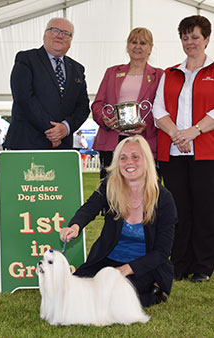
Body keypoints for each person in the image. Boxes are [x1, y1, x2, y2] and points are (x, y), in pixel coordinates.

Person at [60, 136, 177, 307]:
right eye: (123, 158)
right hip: (107, 261)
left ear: (146, 160)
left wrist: (124, 270)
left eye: (135, 156)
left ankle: (155, 290)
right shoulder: (109, 186)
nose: (129, 162)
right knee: (74, 290)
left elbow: (161, 252)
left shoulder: (164, 198)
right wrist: (75, 226)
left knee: (119, 297)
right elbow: (89, 208)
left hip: (143, 267)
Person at [152, 15, 214, 283]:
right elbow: (158, 110)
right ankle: (179, 263)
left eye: (195, 37)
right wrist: (177, 134)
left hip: (206, 152)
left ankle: (203, 265)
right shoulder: (170, 73)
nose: (190, 42)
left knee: (205, 209)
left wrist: (194, 131)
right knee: (178, 210)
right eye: (185, 37)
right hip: (174, 152)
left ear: (207, 39)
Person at [5, 17, 90, 150]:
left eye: (66, 33)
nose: (60, 36)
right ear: (44, 34)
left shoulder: (78, 69)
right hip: (26, 143)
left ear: (70, 41)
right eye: (55, 31)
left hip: (62, 146)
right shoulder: (26, 59)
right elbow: (24, 98)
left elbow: (83, 106)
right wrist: (52, 131)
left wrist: (65, 128)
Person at [92, 28, 163, 180]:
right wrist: (105, 120)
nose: (137, 46)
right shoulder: (111, 72)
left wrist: (148, 124)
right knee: (110, 191)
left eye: (143, 43)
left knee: (146, 191)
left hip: (144, 141)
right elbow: (97, 105)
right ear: (127, 46)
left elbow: (163, 108)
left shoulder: (159, 75)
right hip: (111, 140)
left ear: (150, 48)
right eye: (133, 42)